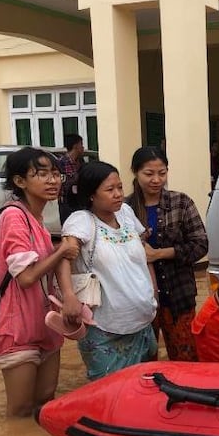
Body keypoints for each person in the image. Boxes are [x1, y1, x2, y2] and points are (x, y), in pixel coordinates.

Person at [0, 147, 79, 417]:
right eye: (41, 174)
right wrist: (61, 251)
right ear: (19, 181)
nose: (52, 181)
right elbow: (27, 277)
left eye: (55, 174)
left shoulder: (37, 219)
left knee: (45, 402)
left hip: (46, 325)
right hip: (17, 329)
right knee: (20, 410)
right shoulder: (13, 217)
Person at [56, 161, 158, 380]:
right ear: (91, 195)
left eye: (120, 187)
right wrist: (69, 296)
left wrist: (153, 292)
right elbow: (64, 257)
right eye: (110, 189)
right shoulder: (81, 221)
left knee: (144, 392)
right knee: (110, 394)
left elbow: (143, 255)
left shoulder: (126, 214)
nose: (118, 194)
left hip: (142, 321)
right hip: (104, 326)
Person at [126, 146, 208, 361]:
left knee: (186, 358)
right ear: (135, 172)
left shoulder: (181, 202)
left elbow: (201, 244)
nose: (156, 180)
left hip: (178, 294)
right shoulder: (125, 209)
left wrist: (160, 254)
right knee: (143, 362)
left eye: (162, 173)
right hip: (139, 298)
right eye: (149, 174)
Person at [57, 133, 85, 224]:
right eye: (81, 144)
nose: (83, 148)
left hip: (79, 201)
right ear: (76, 146)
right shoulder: (62, 163)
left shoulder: (81, 162)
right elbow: (60, 182)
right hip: (66, 201)